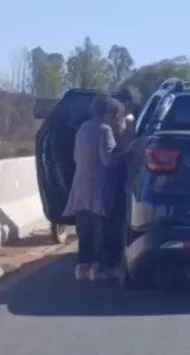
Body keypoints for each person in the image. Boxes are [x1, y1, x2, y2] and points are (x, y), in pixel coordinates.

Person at [62, 93, 127, 281]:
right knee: (101, 230)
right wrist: (128, 151)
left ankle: (82, 266)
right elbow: (108, 159)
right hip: (98, 187)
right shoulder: (104, 130)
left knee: (84, 230)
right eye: (115, 115)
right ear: (108, 113)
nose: (115, 119)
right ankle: (98, 269)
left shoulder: (82, 128)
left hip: (80, 186)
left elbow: (76, 157)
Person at [103, 87, 142, 277]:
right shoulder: (122, 122)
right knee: (115, 216)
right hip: (120, 173)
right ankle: (112, 258)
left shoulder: (124, 121)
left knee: (115, 215)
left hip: (120, 174)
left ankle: (111, 257)